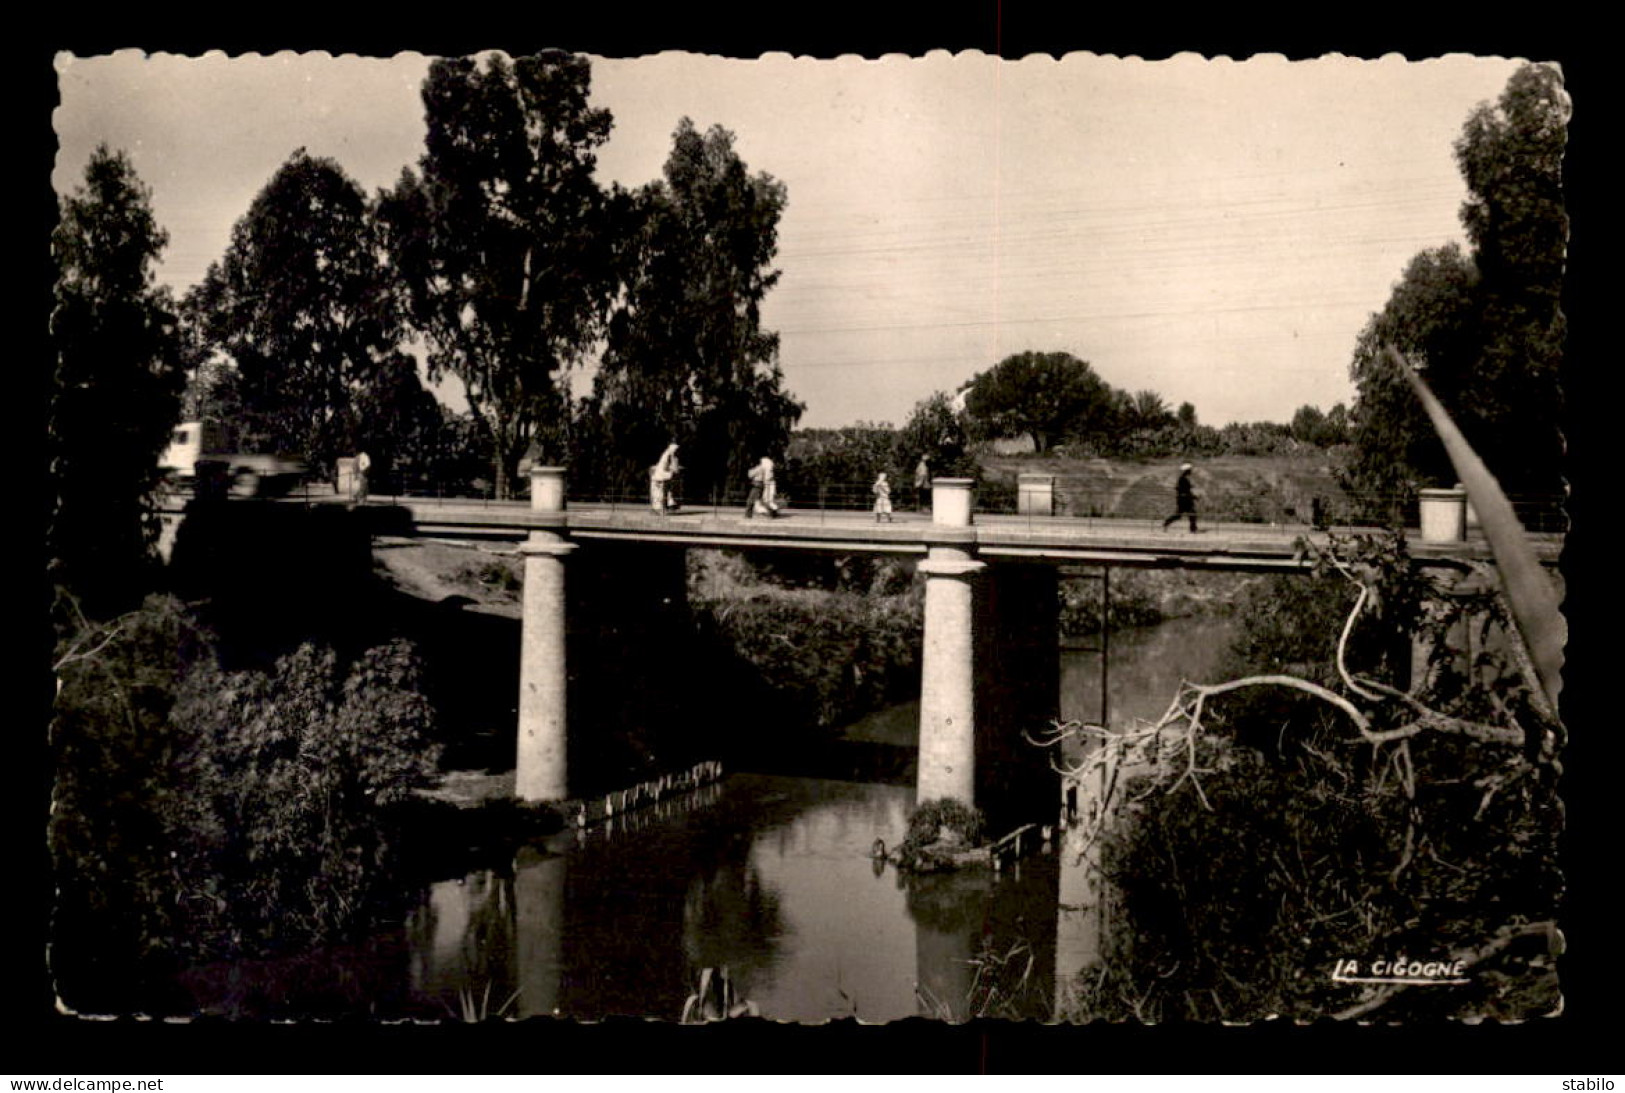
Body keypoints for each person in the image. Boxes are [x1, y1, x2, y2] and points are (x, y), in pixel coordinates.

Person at [1161, 462, 1198, 532]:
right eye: (1190, 470)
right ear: (1187, 471)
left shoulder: (1183, 479)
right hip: (1184, 500)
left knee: (1190, 514)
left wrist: (1192, 496)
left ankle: (1193, 529)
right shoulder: (1182, 479)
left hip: (1184, 499)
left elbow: (1183, 490)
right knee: (1187, 514)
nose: (1191, 471)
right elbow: (1183, 491)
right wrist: (1192, 496)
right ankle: (1166, 523)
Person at [651, 441, 680, 513]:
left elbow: (674, 468)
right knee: (659, 495)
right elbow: (661, 469)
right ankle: (660, 508)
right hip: (660, 478)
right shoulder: (666, 456)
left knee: (668, 493)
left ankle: (669, 505)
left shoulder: (671, 456)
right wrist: (670, 474)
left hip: (665, 478)